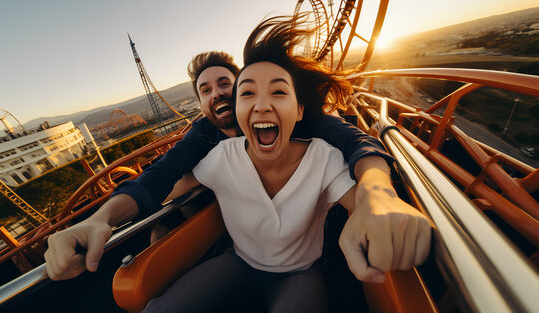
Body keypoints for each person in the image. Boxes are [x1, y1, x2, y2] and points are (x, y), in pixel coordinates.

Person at [45, 21, 430, 286]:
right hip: (244, 247)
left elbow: (355, 141)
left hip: (301, 252)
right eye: (205, 91)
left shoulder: (304, 124)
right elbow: (158, 178)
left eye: (227, 84)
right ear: (201, 106)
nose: (217, 94)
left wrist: (377, 193)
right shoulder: (204, 140)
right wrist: (102, 219)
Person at [143, 15, 430, 312]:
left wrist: (378, 200)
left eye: (277, 92)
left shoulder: (321, 153)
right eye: (249, 94)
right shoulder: (220, 154)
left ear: (299, 110)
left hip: (302, 272)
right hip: (239, 262)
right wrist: (124, 212)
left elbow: (357, 162)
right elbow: (167, 183)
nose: (262, 105)